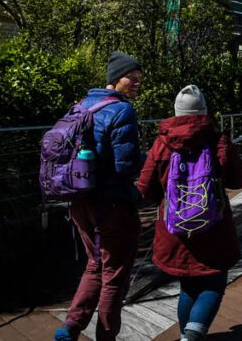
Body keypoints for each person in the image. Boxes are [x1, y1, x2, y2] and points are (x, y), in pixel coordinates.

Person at [137, 85, 242, 341]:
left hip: (174, 228)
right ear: (204, 111)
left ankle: (186, 335)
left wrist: (165, 202)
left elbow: (145, 186)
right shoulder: (218, 140)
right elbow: (239, 180)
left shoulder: (162, 143)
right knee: (214, 282)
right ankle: (192, 336)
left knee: (187, 285)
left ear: (176, 113)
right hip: (213, 227)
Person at [55, 52, 143, 341]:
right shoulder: (122, 111)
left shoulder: (81, 105)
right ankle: (106, 337)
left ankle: (70, 327)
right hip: (112, 203)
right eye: (132, 77)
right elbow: (124, 166)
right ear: (116, 77)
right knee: (114, 276)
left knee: (94, 263)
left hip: (80, 200)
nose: (137, 83)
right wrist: (149, 158)